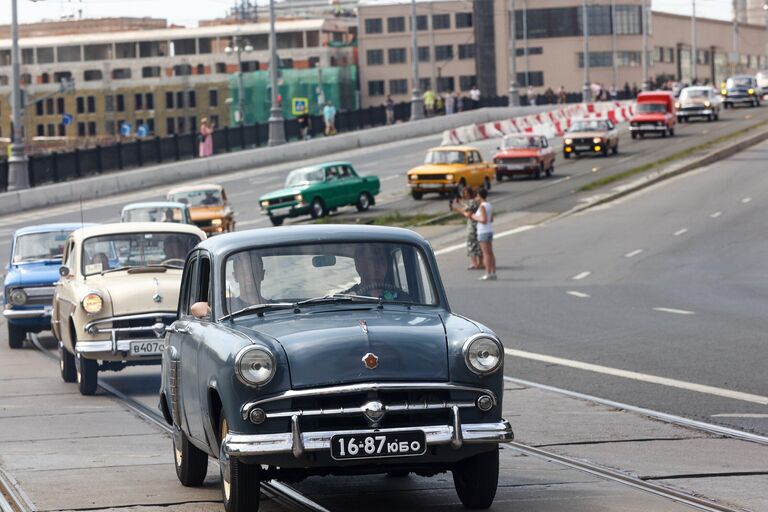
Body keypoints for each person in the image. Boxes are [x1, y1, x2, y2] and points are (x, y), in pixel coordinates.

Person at [459, 188, 495, 281]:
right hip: (489, 230)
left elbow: (483, 220)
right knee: (490, 253)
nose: (476, 198)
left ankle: (488, 273)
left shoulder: (482, 206)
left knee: (486, 253)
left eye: (477, 196)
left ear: (480, 196)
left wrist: (474, 216)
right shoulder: (489, 205)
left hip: (483, 231)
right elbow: (491, 219)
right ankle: (493, 272)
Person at [452, 186, 483, 270]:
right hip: (478, 225)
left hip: (472, 226)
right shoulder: (476, 201)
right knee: (479, 244)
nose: (463, 195)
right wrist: (460, 204)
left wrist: (458, 210)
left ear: (468, 193)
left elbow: (468, 214)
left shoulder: (472, 202)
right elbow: (467, 207)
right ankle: (480, 263)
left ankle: (474, 263)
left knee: (471, 243)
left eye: (465, 193)